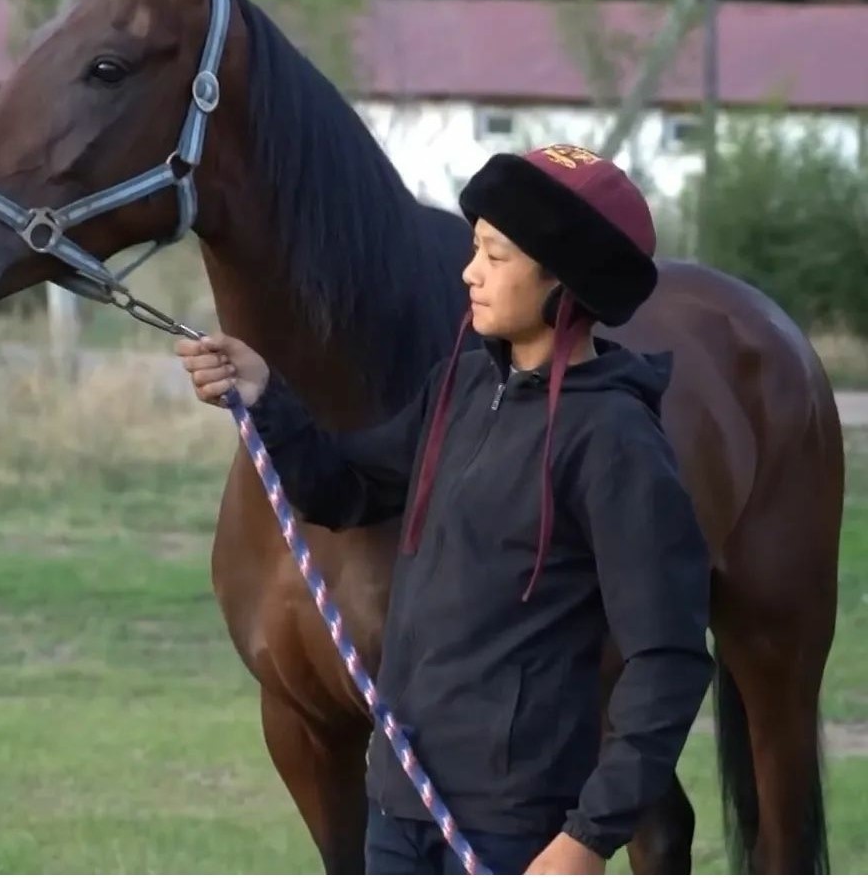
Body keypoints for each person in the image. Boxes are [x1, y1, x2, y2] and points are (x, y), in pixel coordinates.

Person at [175, 144, 713, 875]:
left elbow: (668, 658)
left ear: (566, 279)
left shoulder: (617, 442)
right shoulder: (459, 388)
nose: (469, 272)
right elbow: (344, 489)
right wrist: (266, 395)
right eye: (473, 248)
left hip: (512, 827)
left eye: (495, 255)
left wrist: (589, 837)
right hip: (401, 800)